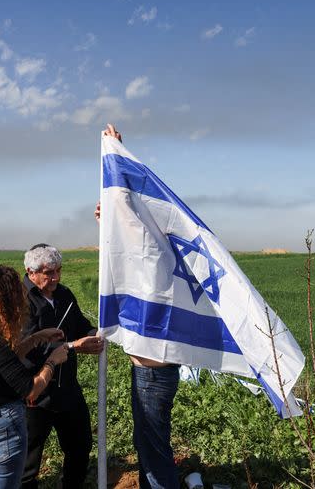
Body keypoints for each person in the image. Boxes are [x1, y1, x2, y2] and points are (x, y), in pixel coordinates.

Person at [98, 124, 181, 489]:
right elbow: (132, 247)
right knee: (148, 443)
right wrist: (110, 219)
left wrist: (116, 154)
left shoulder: (158, 276)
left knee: (152, 446)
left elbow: (137, 246)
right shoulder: (162, 275)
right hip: (150, 373)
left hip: (153, 375)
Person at [0, 265, 69, 489]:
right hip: (1, 428)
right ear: (2, 298)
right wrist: (53, 360)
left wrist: (35, 338)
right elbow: (31, 390)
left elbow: (2, 366)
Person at [20, 244, 105, 489]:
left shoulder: (65, 294)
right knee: (28, 459)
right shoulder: (21, 302)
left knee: (80, 446)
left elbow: (80, 325)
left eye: (59, 270)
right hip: (35, 392)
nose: (56, 277)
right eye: (49, 273)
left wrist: (95, 334)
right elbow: (26, 348)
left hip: (67, 388)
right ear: (31, 272)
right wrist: (72, 347)